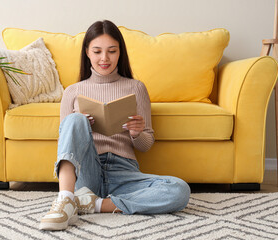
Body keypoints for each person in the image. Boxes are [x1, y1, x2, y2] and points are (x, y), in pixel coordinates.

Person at [39, 20, 191, 231]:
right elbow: (63, 144)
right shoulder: (72, 91)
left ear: (120, 52)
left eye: (112, 51)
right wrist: (82, 125)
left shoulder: (136, 88)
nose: (104, 58)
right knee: (74, 120)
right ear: (87, 53)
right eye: (97, 51)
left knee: (179, 190)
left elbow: (146, 145)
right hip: (87, 171)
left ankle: (94, 204)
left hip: (124, 172)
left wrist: (137, 133)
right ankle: (65, 200)